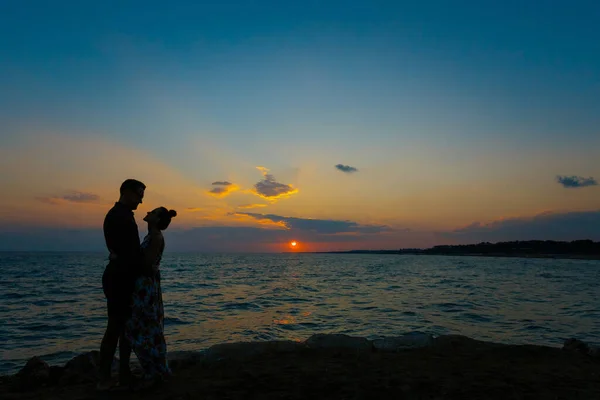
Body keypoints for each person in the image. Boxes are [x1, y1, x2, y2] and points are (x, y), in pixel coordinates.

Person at [97, 179, 146, 391]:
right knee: (115, 327)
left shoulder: (121, 215)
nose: (140, 201)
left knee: (124, 328)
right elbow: (131, 251)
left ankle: (123, 373)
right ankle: (104, 378)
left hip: (122, 275)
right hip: (119, 278)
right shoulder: (119, 216)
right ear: (126, 192)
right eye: (138, 195)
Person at [124, 206, 177, 387]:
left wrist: (122, 258)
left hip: (145, 288)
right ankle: (153, 371)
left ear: (157, 219)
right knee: (144, 327)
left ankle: (155, 372)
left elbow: (146, 265)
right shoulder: (151, 236)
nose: (148, 212)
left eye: (153, 212)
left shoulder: (155, 237)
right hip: (145, 286)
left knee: (144, 327)